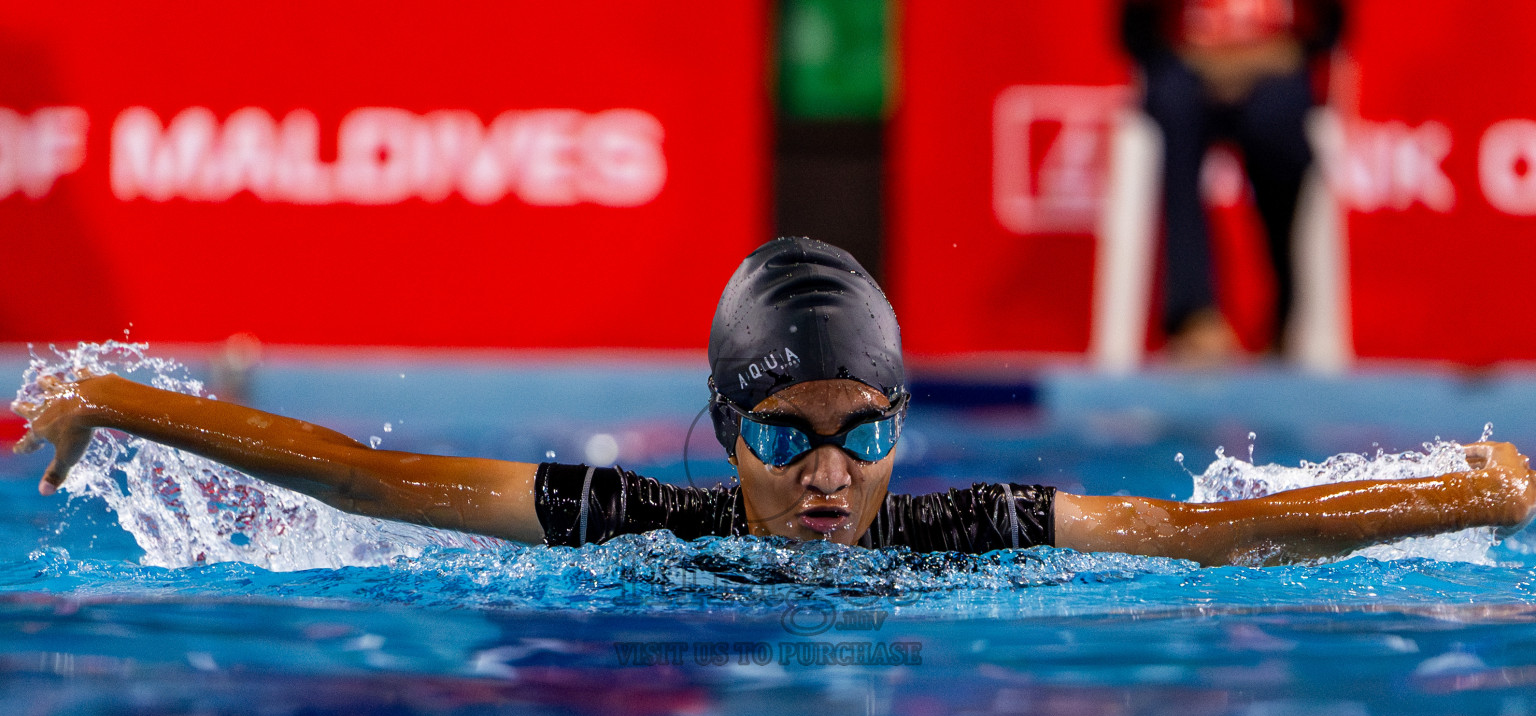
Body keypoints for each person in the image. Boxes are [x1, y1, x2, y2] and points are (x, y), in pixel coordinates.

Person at [12, 237, 1536, 566]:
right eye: (785, 433)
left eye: (865, 433)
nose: (830, 472)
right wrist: (119, 394)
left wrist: (1484, 486)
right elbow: (356, 477)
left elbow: (1218, 538)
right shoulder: (627, 515)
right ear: (726, 428)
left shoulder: (972, 526)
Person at [1121, 0, 1345, 361]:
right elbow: (1135, 32)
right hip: (1188, 67)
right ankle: (1194, 318)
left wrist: (1268, 57)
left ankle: (1284, 316)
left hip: (1277, 66)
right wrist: (1201, 59)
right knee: (1174, 111)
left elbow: (1329, 28)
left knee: (1279, 130)